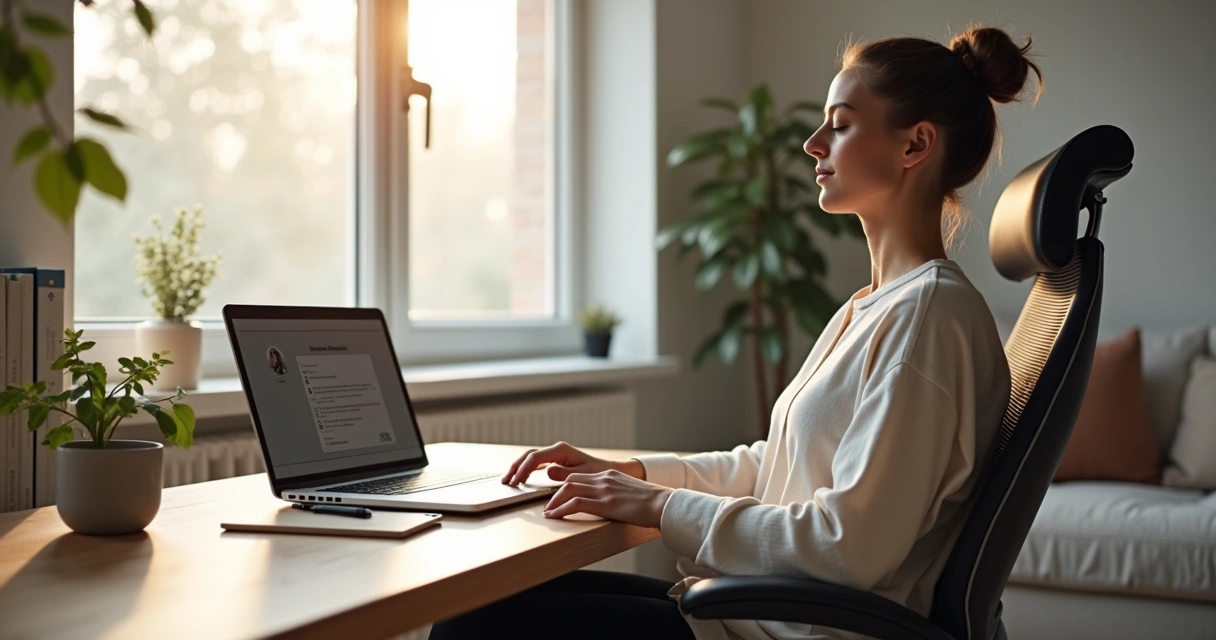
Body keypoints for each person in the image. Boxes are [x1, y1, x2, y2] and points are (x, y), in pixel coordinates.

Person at [431, 24, 1040, 640]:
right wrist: (638, 475)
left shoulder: (928, 319)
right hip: (759, 616)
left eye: (841, 124)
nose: (812, 143)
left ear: (915, 145)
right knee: (476, 606)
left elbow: (847, 548)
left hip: (787, 630)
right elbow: (776, 464)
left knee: (472, 627)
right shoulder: (878, 306)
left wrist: (658, 506)